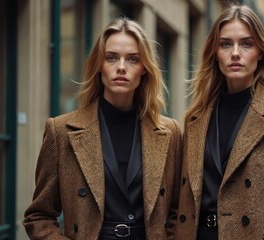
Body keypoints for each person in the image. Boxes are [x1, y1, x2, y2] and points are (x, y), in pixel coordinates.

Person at [23, 18, 182, 240]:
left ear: (145, 69)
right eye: (111, 57)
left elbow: (179, 212)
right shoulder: (61, 131)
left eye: (133, 59)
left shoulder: (170, 132)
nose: (121, 67)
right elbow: (38, 216)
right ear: (99, 65)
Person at [175, 3, 264, 239]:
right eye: (225, 44)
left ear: (260, 52)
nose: (235, 52)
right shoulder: (195, 118)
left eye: (246, 43)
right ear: (215, 52)